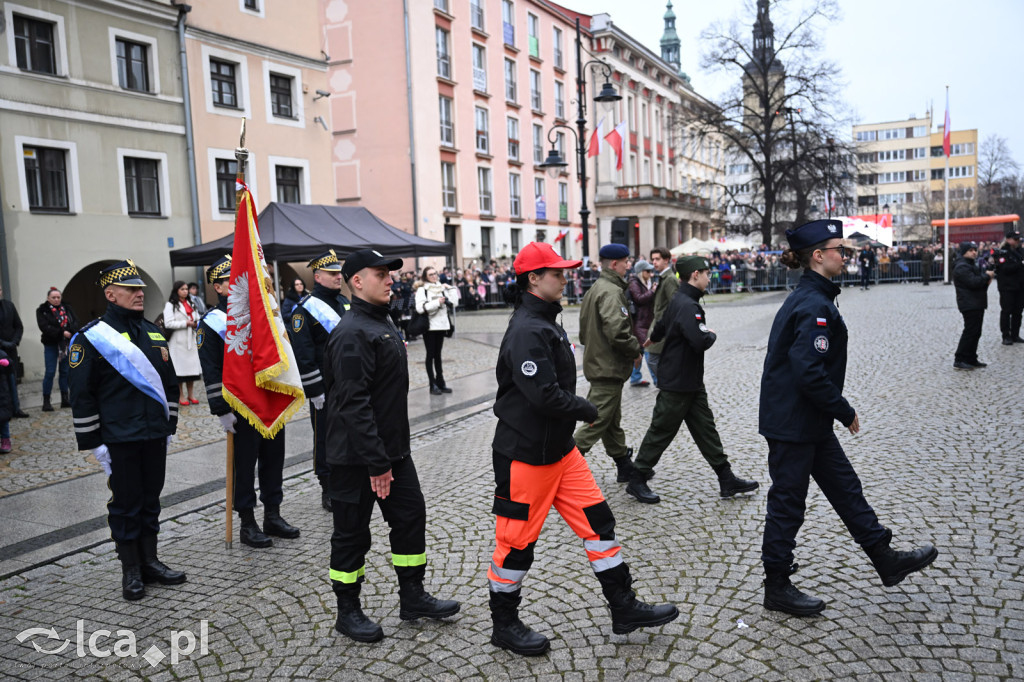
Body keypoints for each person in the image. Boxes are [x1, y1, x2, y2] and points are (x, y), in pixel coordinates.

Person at [487, 242, 678, 656]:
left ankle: (623, 607)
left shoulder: (546, 320)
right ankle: (504, 623)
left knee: (599, 523)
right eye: (557, 273)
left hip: (560, 454)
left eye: (564, 271)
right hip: (525, 456)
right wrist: (587, 408)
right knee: (516, 545)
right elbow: (543, 395)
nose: (565, 277)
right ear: (533, 279)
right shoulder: (526, 329)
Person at [759, 220, 937, 616]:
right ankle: (777, 586)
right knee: (788, 504)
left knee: (845, 487)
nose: (846, 254)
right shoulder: (812, 303)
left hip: (808, 420)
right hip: (793, 423)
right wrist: (844, 409)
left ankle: (884, 557)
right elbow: (808, 370)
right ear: (818, 256)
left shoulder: (817, 295)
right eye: (840, 248)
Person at [323, 249, 460, 643]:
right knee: (351, 535)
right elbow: (353, 404)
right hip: (356, 458)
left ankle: (412, 596)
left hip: (393, 452)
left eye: (390, 274)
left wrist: (389, 457)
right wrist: (376, 463)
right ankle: (348, 611)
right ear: (356, 281)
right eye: (380, 274)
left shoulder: (380, 321)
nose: (390, 280)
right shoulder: (351, 332)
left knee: (410, 517)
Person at [68, 259, 185, 601]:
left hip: (153, 435)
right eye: (131, 289)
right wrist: (94, 444)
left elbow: (170, 382)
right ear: (111, 294)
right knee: (126, 505)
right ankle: (131, 569)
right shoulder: (91, 338)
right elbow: (82, 395)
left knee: (151, 501)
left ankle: (150, 560)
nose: (139, 294)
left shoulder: (152, 331)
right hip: (119, 439)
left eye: (140, 289)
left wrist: (170, 424)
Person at [626, 256, 759, 504]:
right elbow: (699, 341)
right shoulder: (688, 305)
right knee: (661, 430)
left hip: (689, 380)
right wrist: (711, 335)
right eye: (707, 274)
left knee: (706, 430)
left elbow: (663, 323)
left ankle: (726, 478)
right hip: (678, 381)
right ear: (695, 275)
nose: (710, 278)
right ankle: (637, 478)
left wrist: (654, 337)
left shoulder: (680, 298)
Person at [196, 256, 300, 549]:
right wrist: (220, 409)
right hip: (240, 408)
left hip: (268, 399)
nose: (239, 284)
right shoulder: (211, 324)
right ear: (218, 286)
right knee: (244, 467)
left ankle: (273, 514)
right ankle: (247, 522)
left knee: (273, 460)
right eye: (231, 279)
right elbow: (211, 370)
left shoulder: (259, 316)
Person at [573, 243, 643, 483]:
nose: (628, 266)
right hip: (608, 368)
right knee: (596, 422)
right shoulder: (611, 292)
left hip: (601, 365)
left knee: (611, 422)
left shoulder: (595, 289)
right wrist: (635, 350)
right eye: (626, 262)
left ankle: (624, 465)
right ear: (614, 264)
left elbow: (583, 334)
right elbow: (618, 333)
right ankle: (563, 465)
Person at [290, 249, 350, 510]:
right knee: (325, 437)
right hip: (324, 387)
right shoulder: (304, 311)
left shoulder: (345, 303)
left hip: (350, 384)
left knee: (351, 432)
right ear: (317, 276)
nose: (339, 277)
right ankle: (327, 486)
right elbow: (303, 354)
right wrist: (314, 389)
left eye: (339, 272)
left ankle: (349, 479)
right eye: (332, 273)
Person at [415, 266, 460, 394]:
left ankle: (441, 382)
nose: (434, 276)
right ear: (425, 277)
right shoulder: (422, 290)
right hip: (429, 326)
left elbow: (454, 303)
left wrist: (450, 288)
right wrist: (437, 303)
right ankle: (432, 384)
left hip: (441, 325)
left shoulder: (441, 288)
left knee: (438, 355)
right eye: (431, 275)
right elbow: (420, 308)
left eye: (435, 273)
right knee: (430, 355)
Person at [36, 287, 81, 412]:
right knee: (50, 372)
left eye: (58, 297)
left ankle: (65, 399)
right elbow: (45, 327)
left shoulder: (67, 308)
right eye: (53, 297)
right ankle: (46, 400)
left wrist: (71, 332)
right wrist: (62, 333)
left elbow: (76, 322)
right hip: (51, 344)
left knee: (65, 372)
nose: (56, 300)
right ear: (48, 298)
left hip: (65, 345)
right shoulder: (42, 310)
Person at [952, 241, 995, 369]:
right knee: (970, 331)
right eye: (971, 250)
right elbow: (973, 282)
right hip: (969, 303)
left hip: (976, 302)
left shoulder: (971, 264)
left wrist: (986, 276)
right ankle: (960, 358)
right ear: (964, 251)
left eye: (975, 250)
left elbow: (978, 281)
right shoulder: (962, 267)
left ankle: (971, 358)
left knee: (976, 332)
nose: (974, 252)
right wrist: (986, 276)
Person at [163, 281, 203, 406]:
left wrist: (196, 322)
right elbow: (168, 323)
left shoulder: (191, 303)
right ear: (176, 290)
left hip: (191, 340)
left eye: (186, 289)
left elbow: (197, 316)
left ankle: (191, 394)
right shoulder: (171, 305)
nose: (185, 291)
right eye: (182, 289)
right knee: (180, 370)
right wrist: (185, 323)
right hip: (178, 341)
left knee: (191, 370)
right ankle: (181, 395)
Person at [646, 247, 678, 385]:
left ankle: (668, 384)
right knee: (656, 358)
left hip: (664, 327)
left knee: (652, 358)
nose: (654, 262)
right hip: (660, 325)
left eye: (657, 259)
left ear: (666, 260)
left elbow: (675, 304)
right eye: (653, 259)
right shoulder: (663, 277)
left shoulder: (669, 279)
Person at [627, 259, 657, 387]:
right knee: (648, 349)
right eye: (648, 271)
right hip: (639, 322)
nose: (650, 273)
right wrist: (652, 291)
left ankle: (635, 377)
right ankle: (657, 380)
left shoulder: (643, 282)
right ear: (641, 272)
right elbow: (639, 299)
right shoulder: (634, 283)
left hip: (646, 321)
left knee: (640, 351)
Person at [0, 284, 27, 419]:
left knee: (13, 379)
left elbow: (18, 326)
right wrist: (3, 343)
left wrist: (14, 342)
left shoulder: (9, 305)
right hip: (0, 350)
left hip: (11, 349)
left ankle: (16, 408)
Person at [994, 230, 1024, 345]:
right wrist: (1020, 264)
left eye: (1018, 239)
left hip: (1020, 286)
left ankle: (1015, 334)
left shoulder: (1020, 251)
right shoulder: (1002, 252)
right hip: (1007, 286)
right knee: (1006, 311)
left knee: (1018, 311)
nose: (1017, 241)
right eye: (1015, 239)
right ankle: (1006, 335)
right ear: (1008, 239)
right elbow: (1004, 268)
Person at [0, 349, 13, 453]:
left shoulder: (2, 354)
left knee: (3, 418)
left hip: (2, 391)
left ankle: (5, 439)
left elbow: (10, 368)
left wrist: (7, 364)